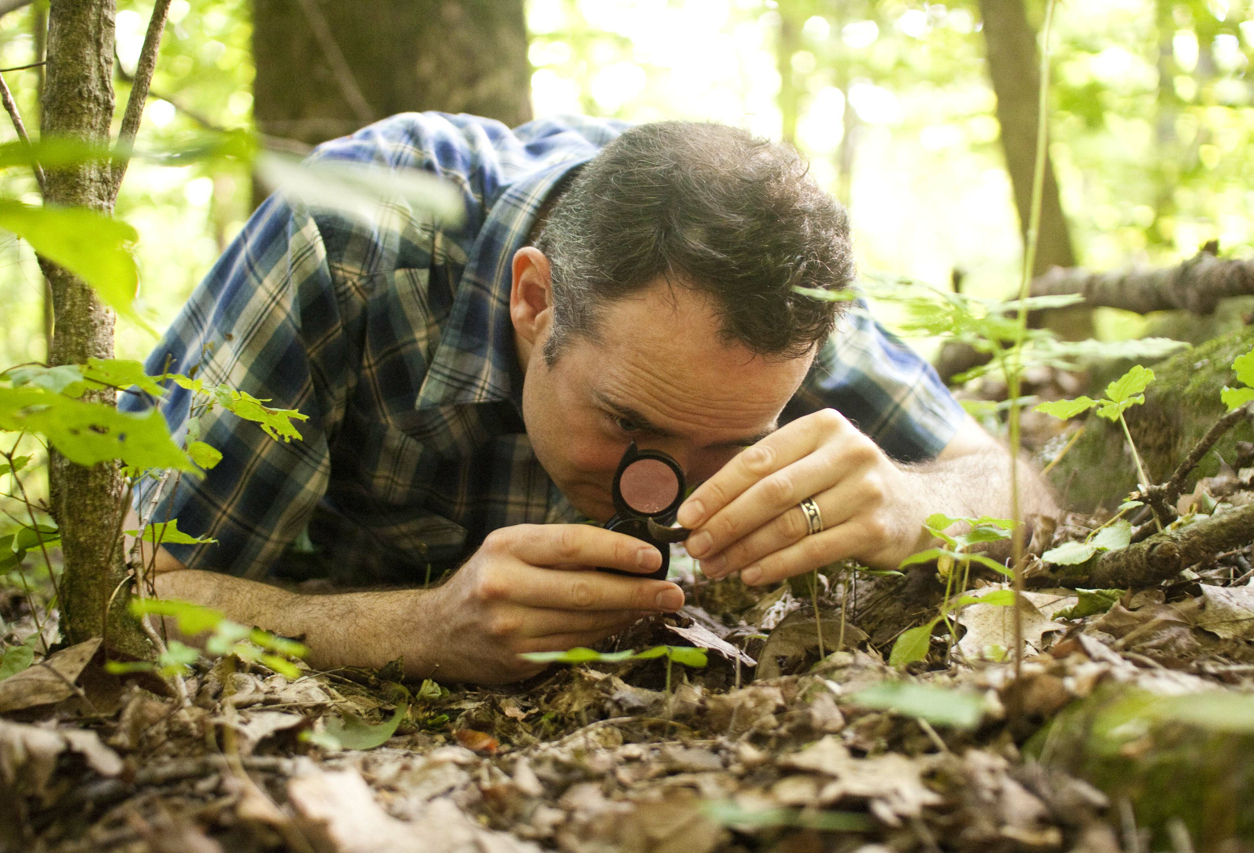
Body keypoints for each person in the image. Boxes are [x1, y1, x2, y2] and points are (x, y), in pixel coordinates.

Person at [126, 112, 1056, 684]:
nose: (672, 496)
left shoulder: (777, 304)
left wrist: (911, 500)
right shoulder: (355, 235)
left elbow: (1023, 490)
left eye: (728, 442)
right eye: (630, 422)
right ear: (533, 301)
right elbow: (130, 590)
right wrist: (414, 627)